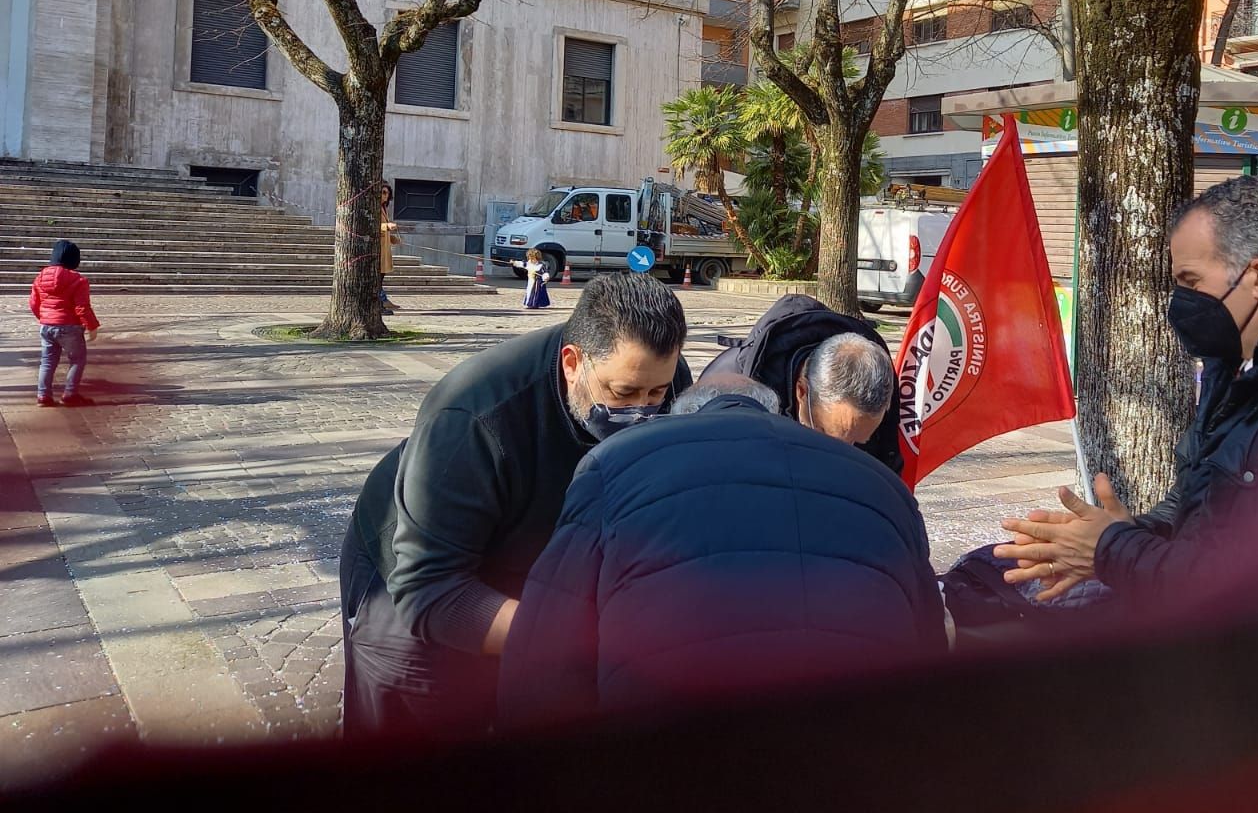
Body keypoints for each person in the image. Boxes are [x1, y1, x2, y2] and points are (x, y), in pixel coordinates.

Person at [991, 176, 1258, 603]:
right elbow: (1195, 505)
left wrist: (1112, 551)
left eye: (1191, 282)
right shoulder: (1233, 368)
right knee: (985, 578)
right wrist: (1119, 535)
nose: (1179, 301)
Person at [339, 271, 693, 738]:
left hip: (531, 560)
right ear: (572, 363)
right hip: (413, 579)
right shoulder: (472, 417)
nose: (642, 411)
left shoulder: (664, 376)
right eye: (622, 394)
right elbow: (429, 592)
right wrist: (583, 636)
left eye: (656, 394)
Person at [497, 375, 947, 731]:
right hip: (859, 752)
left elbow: (544, 653)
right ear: (775, 411)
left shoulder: (614, 462)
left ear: (682, 417)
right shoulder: (883, 486)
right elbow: (931, 646)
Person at [701, 293, 904, 473]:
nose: (844, 454)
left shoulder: (875, 402)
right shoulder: (725, 393)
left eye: (859, 442)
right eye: (827, 435)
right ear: (802, 391)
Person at [30, 239, 100, 408]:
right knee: (77, 359)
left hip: (47, 325)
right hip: (70, 327)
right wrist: (92, 326)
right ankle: (70, 394)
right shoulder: (78, 280)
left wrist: (44, 317)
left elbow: (33, 303)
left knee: (47, 361)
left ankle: (43, 395)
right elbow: (82, 307)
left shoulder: (40, 278)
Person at [379, 181, 400, 315]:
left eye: (387, 193)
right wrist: (386, 226)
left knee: (380, 278)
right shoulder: (374, 208)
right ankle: (381, 302)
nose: (386, 196)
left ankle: (382, 301)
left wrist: (392, 238)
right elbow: (371, 226)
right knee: (377, 279)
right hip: (377, 251)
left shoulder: (384, 209)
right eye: (383, 193)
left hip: (384, 250)